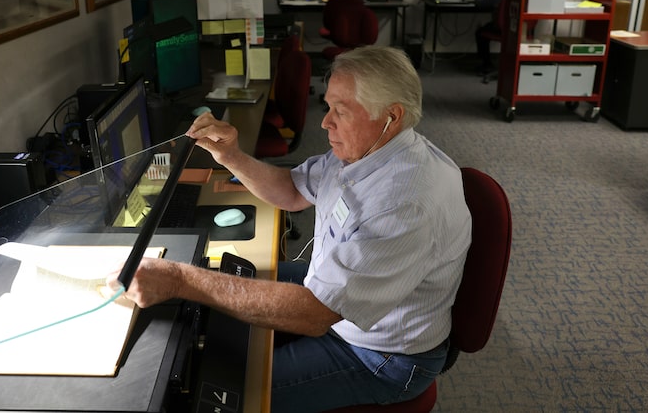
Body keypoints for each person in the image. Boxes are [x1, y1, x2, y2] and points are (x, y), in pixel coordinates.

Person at [108, 46, 471, 412]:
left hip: (381, 356)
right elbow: (292, 190)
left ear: (392, 117)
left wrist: (180, 280)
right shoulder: (369, 149)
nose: (325, 123)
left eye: (339, 112)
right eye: (327, 107)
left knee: (225, 395)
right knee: (211, 288)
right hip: (336, 293)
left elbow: (315, 314)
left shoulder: (404, 202)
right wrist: (230, 155)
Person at [475, 0, 522, 75]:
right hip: (517, 29)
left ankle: (486, 65)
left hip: (501, 29)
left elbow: (481, 5)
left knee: (480, 33)